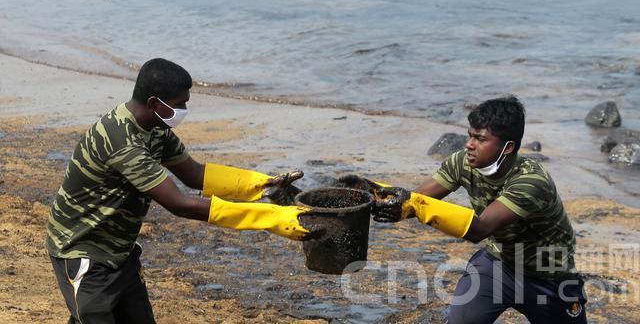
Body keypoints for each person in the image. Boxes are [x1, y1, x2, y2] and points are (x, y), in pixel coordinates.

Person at [46, 58, 314, 323]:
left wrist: (261, 185)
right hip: (83, 249)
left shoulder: (154, 127)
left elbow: (195, 174)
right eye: (180, 104)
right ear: (154, 103)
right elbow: (179, 204)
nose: (184, 109)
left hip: (120, 251)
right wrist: (271, 218)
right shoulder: (122, 141)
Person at [339, 96, 587, 323]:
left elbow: (480, 228)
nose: (469, 145)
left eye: (480, 139)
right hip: (499, 264)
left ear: (508, 147)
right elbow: (417, 199)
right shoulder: (462, 162)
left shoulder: (531, 182)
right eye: (470, 135)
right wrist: (370, 193)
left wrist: (414, 206)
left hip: (549, 276)